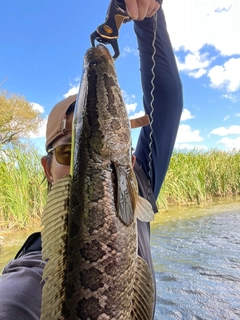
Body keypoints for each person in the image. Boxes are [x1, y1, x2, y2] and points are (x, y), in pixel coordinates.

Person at [0, 1, 183, 319]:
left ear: (126, 148)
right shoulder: (34, 264)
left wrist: (149, 19)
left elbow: (166, 103)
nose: (83, 162)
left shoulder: (136, 182)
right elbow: (14, 300)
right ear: (47, 169)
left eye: (87, 143)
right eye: (67, 153)